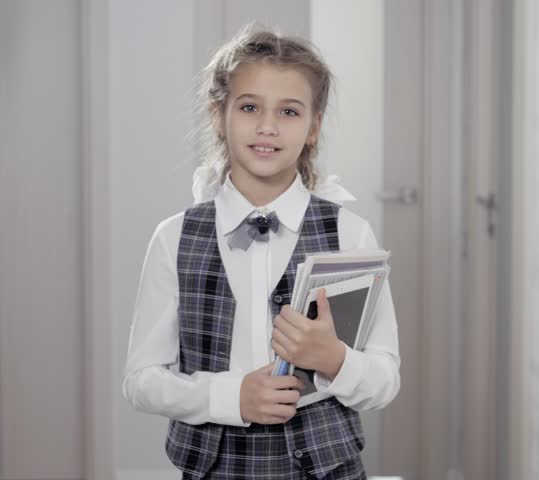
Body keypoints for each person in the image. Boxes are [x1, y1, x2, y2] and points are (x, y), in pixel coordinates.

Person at [122, 26, 401, 479]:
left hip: (328, 469)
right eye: (249, 107)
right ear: (219, 116)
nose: (267, 126)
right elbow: (140, 381)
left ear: (314, 126)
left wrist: (334, 358)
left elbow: (385, 380)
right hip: (216, 470)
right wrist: (232, 397)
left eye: (289, 111)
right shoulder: (174, 238)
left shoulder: (350, 234)